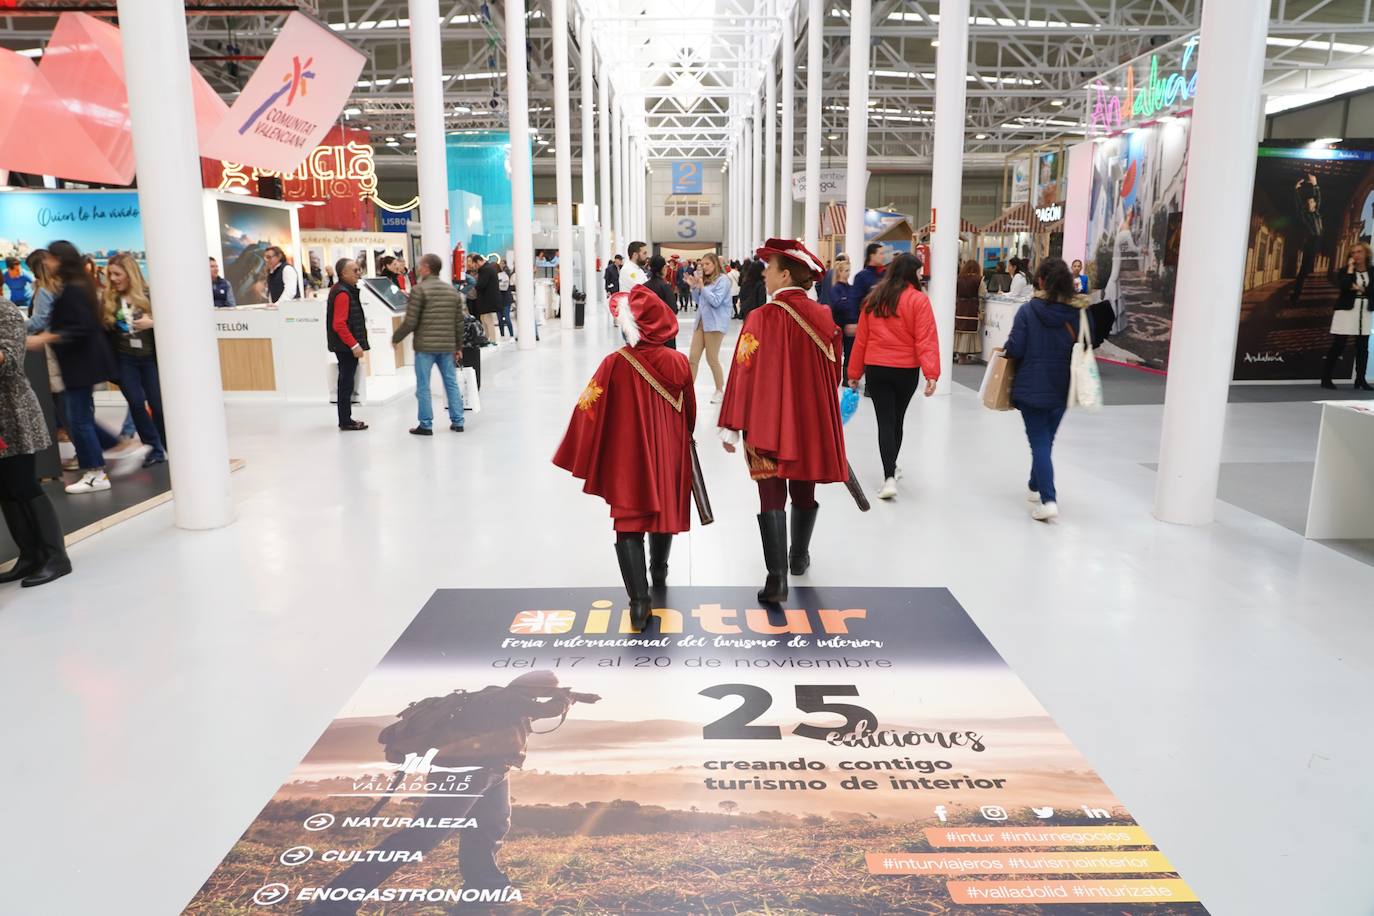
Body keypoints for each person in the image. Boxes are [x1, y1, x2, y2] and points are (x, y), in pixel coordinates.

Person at [300, 671, 597, 914]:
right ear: (534, 690)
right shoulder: (506, 701)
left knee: (489, 830)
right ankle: (334, 902)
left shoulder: (500, 697)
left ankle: (486, 889)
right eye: (545, 691)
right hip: (465, 774)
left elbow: (542, 704)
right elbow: (550, 708)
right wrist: (567, 698)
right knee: (421, 837)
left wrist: (576, 696)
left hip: (493, 771)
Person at [553, 286, 695, 630]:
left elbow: (588, 407)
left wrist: (579, 447)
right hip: (670, 450)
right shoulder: (678, 362)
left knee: (629, 524)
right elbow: (689, 412)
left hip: (629, 456)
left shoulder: (615, 363)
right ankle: (658, 571)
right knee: (663, 510)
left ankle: (638, 602)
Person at [719, 238, 847, 603]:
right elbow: (833, 371)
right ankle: (798, 557)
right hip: (810, 420)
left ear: (785, 274)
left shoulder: (761, 317)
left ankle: (776, 580)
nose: (764, 275)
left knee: (770, 490)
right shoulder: (824, 317)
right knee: (804, 487)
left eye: (769, 269)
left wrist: (732, 421)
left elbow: (744, 369)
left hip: (767, 419)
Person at [1003, 257, 1102, 522]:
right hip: (1064, 386)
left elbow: (1016, 348)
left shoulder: (1027, 311)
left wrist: (1006, 350)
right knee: (1046, 439)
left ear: (1042, 280)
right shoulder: (1080, 312)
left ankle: (1049, 498)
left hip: (1031, 385)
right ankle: (1035, 486)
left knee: (1039, 441)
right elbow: (1089, 342)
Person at [27, 241, 121, 494]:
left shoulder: (74, 290)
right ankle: (104, 456)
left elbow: (79, 329)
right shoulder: (77, 287)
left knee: (78, 419)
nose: (46, 263)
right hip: (79, 364)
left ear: (60, 259)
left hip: (80, 364)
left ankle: (95, 472)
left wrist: (45, 338)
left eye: (49, 258)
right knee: (78, 417)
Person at [847, 253, 940, 500]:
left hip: (877, 368)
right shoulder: (918, 301)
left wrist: (854, 373)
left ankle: (889, 474)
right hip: (906, 371)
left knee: (885, 422)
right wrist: (931, 373)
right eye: (919, 272)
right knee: (897, 420)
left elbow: (862, 340)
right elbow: (926, 339)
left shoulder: (873, 299)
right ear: (910, 273)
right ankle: (890, 471)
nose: (921, 275)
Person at [0, 292, 71, 586]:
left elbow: (9, 360)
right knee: (5, 489)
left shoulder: (5, 311)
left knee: (24, 485)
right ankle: (30, 555)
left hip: (12, 411)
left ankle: (56, 557)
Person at [102, 254, 167, 468]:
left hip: (149, 359)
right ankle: (154, 448)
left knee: (157, 405)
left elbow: (173, 320)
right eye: (110, 274)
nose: (113, 278)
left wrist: (153, 323)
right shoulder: (109, 298)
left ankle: (168, 444)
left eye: (117, 274)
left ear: (130, 274)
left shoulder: (150, 294)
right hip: (124, 360)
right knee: (136, 404)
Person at [393, 253, 468, 435]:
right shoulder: (451, 291)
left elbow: (411, 321)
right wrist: (458, 347)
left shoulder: (419, 290)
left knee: (423, 386)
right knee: (451, 383)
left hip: (425, 347)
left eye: (420, 265)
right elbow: (459, 322)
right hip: (447, 346)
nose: (418, 268)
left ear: (426, 267)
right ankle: (458, 421)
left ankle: (426, 424)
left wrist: (396, 337)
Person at [1322, 242, 1373, 391]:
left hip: (1365, 311)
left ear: (1366, 254)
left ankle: (1361, 379)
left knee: (1363, 347)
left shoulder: (1372, 271)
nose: (1356, 255)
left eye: (1359, 252)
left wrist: (1359, 288)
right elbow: (1344, 286)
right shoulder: (1344, 270)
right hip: (1346, 311)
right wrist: (1351, 269)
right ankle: (1326, 378)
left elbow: (1372, 292)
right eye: (1353, 252)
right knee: (1339, 345)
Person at [326, 258, 369, 431]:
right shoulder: (343, 293)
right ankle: (345, 420)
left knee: (346, 381)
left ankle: (346, 418)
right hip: (345, 346)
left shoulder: (343, 290)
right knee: (346, 382)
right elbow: (339, 324)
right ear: (343, 273)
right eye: (355, 270)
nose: (359, 273)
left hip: (342, 345)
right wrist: (354, 345)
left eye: (359, 270)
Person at [686, 252, 732, 403]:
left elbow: (716, 301)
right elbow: (699, 301)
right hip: (701, 322)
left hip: (715, 324)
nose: (704, 267)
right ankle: (688, 391)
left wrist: (702, 288)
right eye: (702, 264)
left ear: (715, 264)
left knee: (712, 358)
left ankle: (720, 390)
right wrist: (694, 288)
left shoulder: (723, 280)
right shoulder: (705, 281)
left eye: (707, 264)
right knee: (693, 357)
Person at [1291, 173, 1324, 305]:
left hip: (1318, 241)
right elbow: (1298, 205)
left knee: (1305, 270)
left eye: (1311, 201)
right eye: (1308, 202)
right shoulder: (1305, 215)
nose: (1310, 203)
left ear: (1315, 204)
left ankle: (1295, 294)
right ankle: (1295, 296)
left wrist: (1315, 184)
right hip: (1312, 241)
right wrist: (1296, 190)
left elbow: (1318, 198)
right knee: (1303, 272)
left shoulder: (1317, 213)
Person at [827, 258, 859, 373]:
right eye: (846, 271)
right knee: (837, 353)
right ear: (840, 272)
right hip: (839, 325)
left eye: (849, 270)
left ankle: (847, 377)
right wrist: (849, 302)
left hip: (851, 325)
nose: (848, 273)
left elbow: (855, 304)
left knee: (850, 353)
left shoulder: (852, 289)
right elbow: (837, 305)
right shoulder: (835, 289)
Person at [644, 255, 680, 350]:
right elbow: (673, 310)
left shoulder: (644, 287)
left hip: (648, 332)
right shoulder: (665, 287)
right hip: (665, 332)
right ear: (664, 268)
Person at [954, 259, 986, 364]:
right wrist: (982, 312)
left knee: (960, 330)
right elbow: (982, 295)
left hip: (960, 308)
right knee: (969, 331)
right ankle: (963, 357)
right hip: (972, 308)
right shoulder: (979, 280)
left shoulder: (958, 279)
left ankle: (960, 355)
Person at [469, 253, 502, 342]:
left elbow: (481, 285)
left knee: (488, 320)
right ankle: (487, 338)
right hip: (488, 300)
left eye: (475, 264)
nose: (475, 267)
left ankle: (492, 340)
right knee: (484, 319)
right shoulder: (488, 268)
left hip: (487, 300)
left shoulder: (485, 270)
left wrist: (474, 284)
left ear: (479, 261)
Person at [851, 243, 888, 312]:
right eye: (881, 254)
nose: (883, 256)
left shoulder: (886, 274)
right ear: (872, 256)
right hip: (868, 315)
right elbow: (855, 302)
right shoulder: (861, 277)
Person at [494, 254, 515, 338]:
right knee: (500, 319)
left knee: (506, 318)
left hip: (505, 299)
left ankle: (511, 335)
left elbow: (504, 287)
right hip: (499, 300)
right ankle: (502, 335)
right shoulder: (496, 276)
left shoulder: (505, 274)